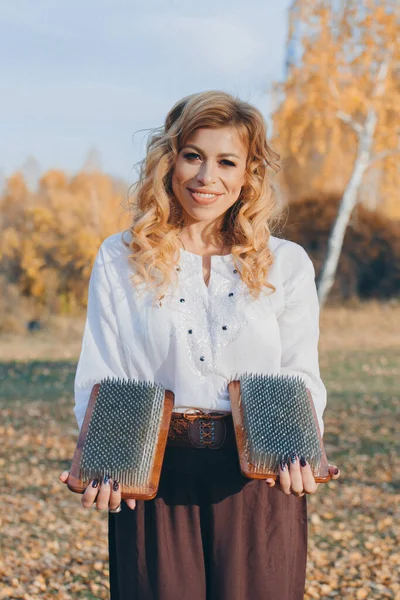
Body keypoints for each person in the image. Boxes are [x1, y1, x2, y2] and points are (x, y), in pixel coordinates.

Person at [59, 90, 340, 600]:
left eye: (226, 161)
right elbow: (102, 370)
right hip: (154, 474)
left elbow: (300, 375)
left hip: (260, 476)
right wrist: (101, 461)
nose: (206, 177)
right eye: (193, 156)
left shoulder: (287, 262)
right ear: (170, 161)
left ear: (248, 174)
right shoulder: (121, 257)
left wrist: (302, 453)